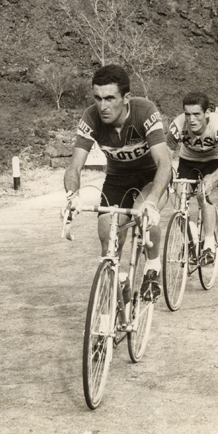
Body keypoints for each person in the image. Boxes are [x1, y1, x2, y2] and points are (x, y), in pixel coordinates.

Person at [64, 65, 171, 302]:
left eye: (110, 98)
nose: (103, 106)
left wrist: (152, 201)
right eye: (98, 98)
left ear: (126, 98)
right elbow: (74, 167)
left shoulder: (145, 111)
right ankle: (118, 282)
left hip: (150, 176)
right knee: (107, 239)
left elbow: (164, 162)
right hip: (117, 179)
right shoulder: (91, 117)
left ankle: (152, 266)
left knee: (143, 215)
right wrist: (72, 195)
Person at [167, 92, 218, 265]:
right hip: (188, 161)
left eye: (196, 114)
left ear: (207, 114)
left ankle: (209, 244)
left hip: (212, 161)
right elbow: (166, 156)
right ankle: (192, 235)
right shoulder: (177, 125)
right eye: (188, 114)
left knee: (204, 195)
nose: (191, 119)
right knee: (179, 198)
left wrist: (212, 178)